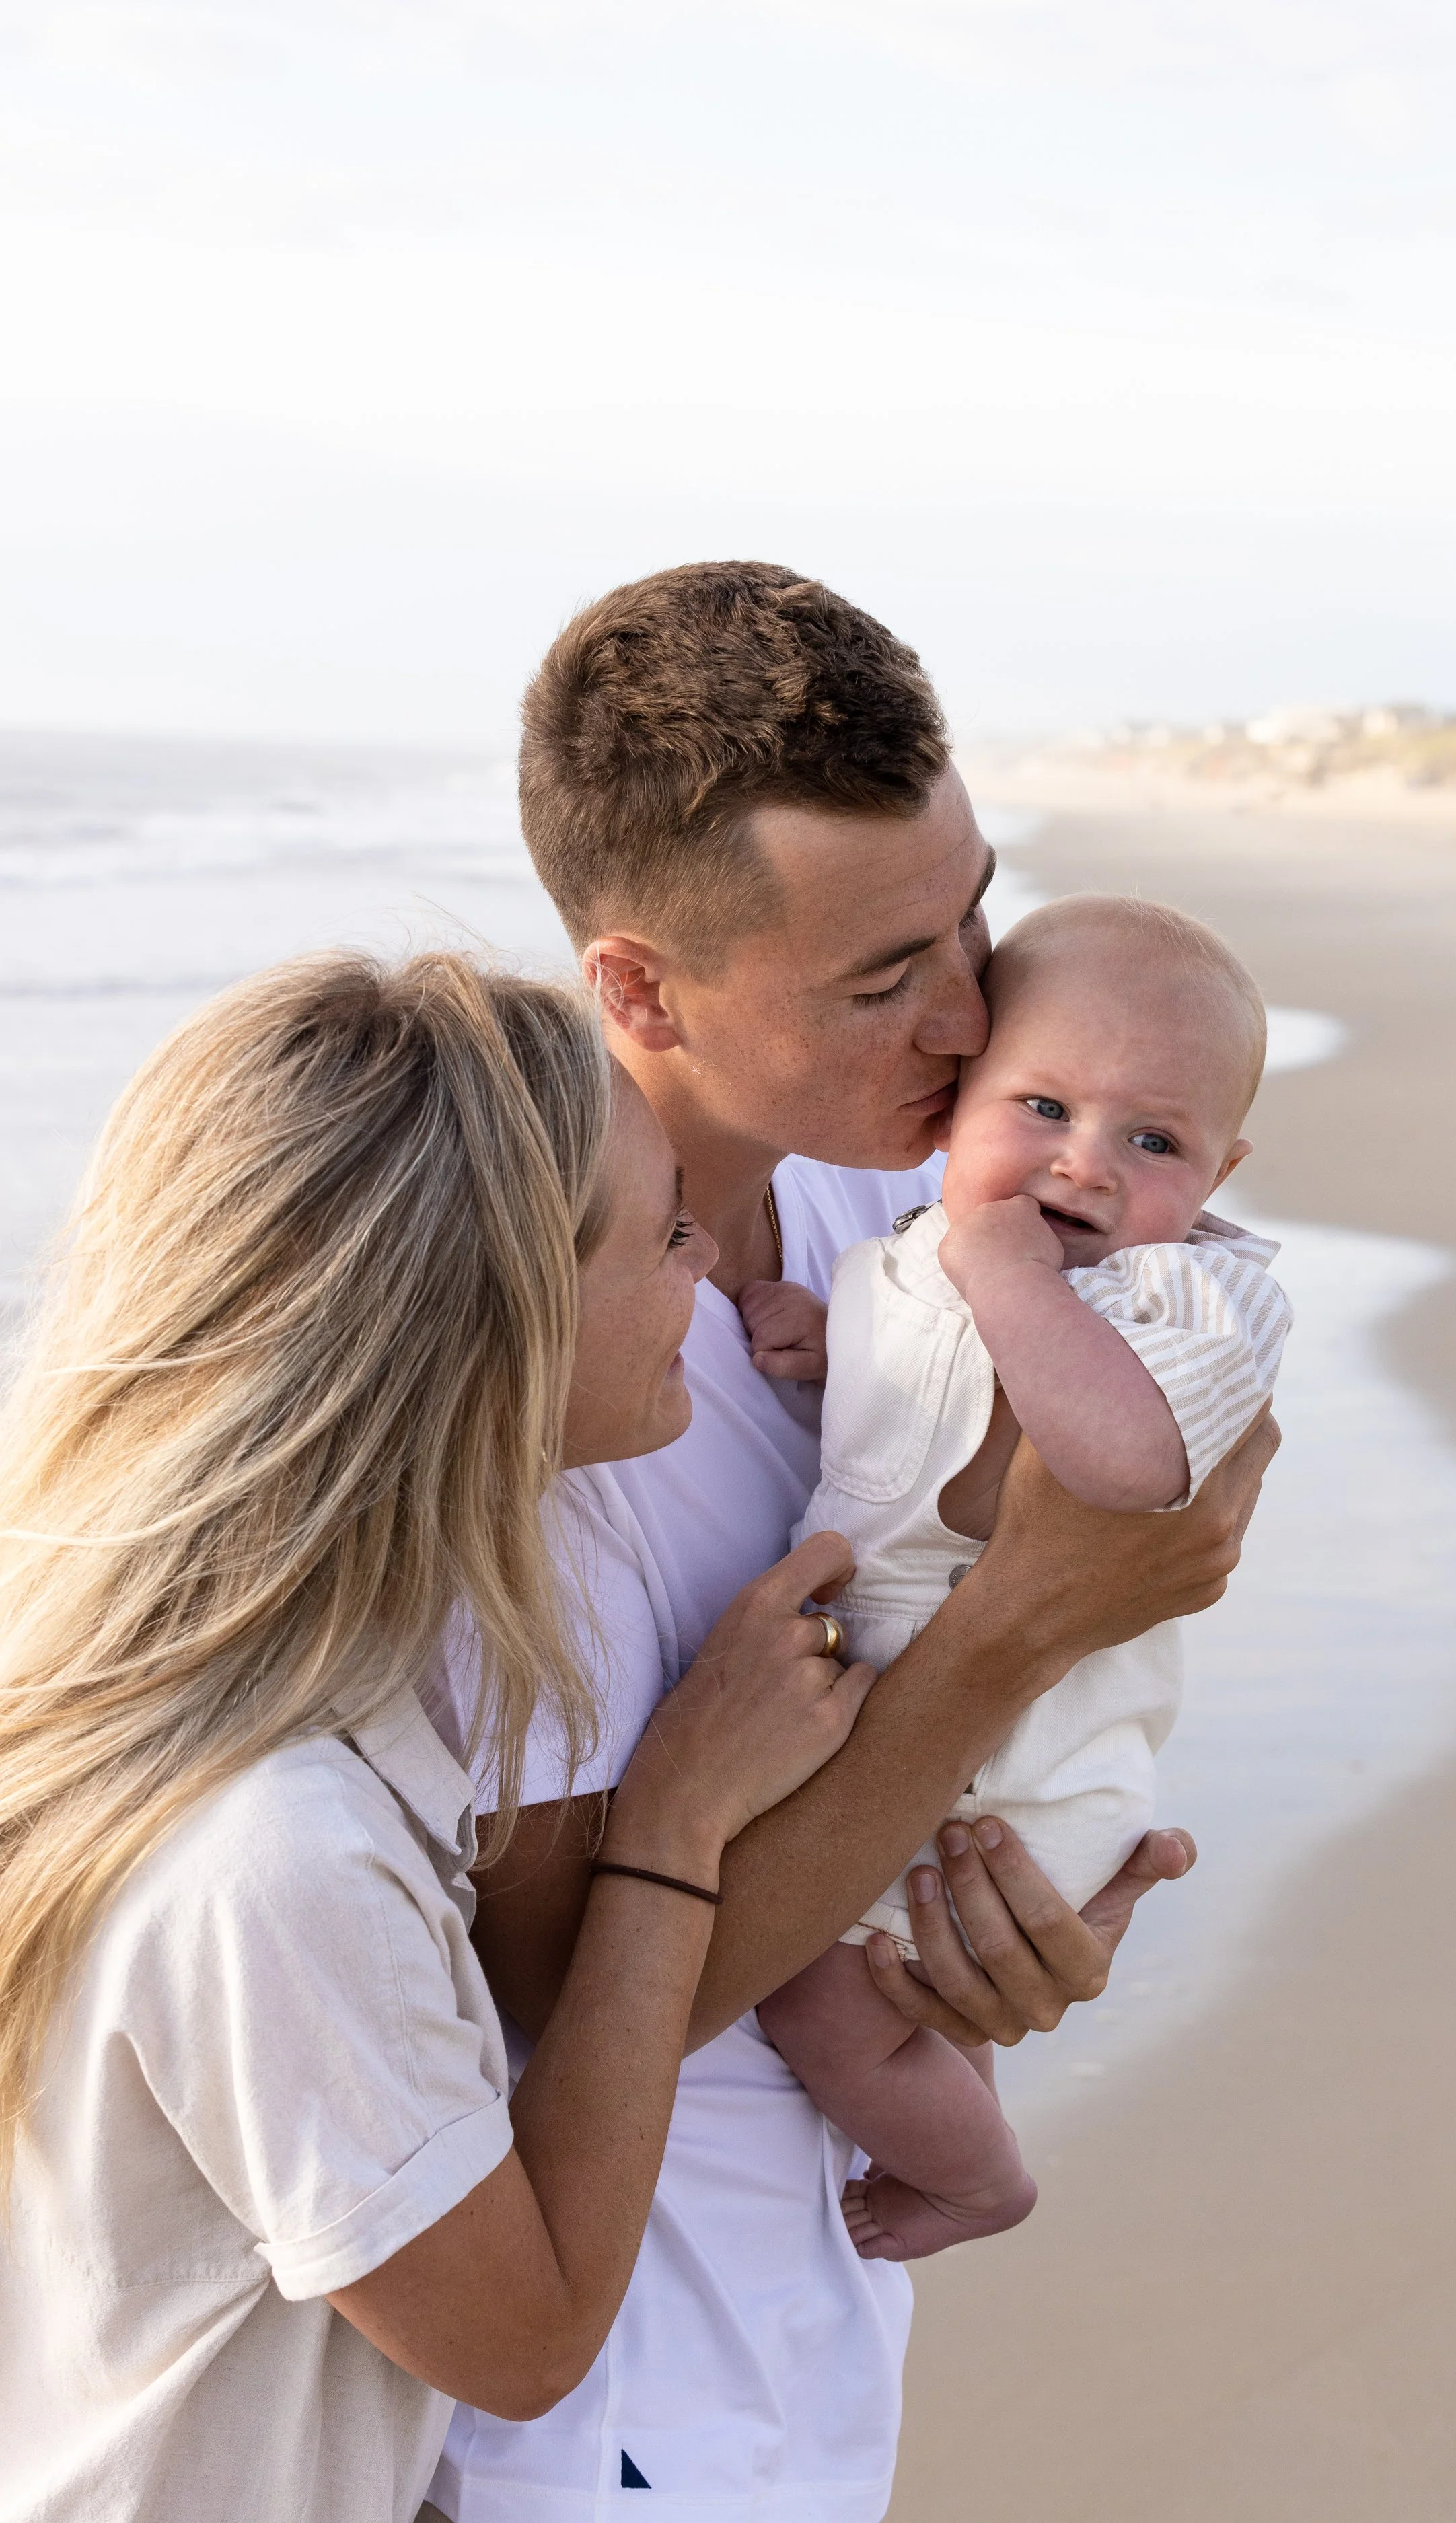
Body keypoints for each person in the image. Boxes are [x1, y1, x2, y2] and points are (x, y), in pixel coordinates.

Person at [429, 564, 1279, 2520]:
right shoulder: (530, 1386)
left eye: (967, 917)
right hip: (610, 2391)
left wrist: (997, 1925)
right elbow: (564, 1987)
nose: (972, 1013)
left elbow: (1174, 1454)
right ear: (638, 988)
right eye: (881, 978)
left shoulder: (875, 1220)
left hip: (821, 2304)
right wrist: (1000, 1636)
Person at [0, 951, 877, 2523]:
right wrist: (673, 1822)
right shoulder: (272, 1854)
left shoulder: (191, 1695)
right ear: (492, 1326)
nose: (708, 1264)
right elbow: (526, 2341)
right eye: (661, 1229)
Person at [754, 894, 1293, 2262]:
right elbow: (919, 1413)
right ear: (953, 1104)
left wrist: (1007, 1282)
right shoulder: (917, 1251)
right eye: (1041, 1106)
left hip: (1021, 1777)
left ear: (1218, 1177)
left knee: (823, 2001)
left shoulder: (1170, 1299)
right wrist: (834, 1347)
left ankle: (980, 2181)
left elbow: (1117, 1463)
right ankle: (951, 2126)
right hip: (923, 1741)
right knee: (898, 1995)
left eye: (1151, 1140)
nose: (1084, 1167)